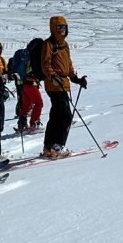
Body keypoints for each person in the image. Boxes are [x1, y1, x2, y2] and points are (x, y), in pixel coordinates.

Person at [40, 16, 87, 159]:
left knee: (56, 116)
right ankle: (58, 146)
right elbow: (45, 64)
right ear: (53, 29)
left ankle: (49, 146)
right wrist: (53, 76)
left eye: (64, 27)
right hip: (53, 85)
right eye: (59, 27)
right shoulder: (48, 44)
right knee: (66, 115)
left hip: (62, 83)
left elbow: (68, 64)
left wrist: (75, 79)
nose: (62, 30)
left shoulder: (64, 44)